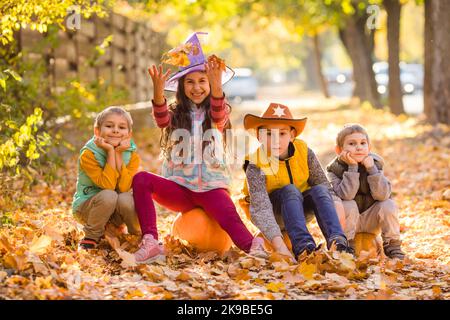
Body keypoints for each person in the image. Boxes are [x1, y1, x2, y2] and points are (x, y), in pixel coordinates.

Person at [132, 32, 267, 264]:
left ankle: (253, 248)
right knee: (141, 179)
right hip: (181, 189)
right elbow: (162, 119)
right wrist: (158, 91)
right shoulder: (176, 114)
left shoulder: (217, 114)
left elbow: (218, 112)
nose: (196, 87)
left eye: (202, 81)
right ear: (182, 87)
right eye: (190, 82)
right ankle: (151, 241)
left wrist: (216, 85)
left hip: (211, 188)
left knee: (229, 218)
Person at [242, 102, 351, 261]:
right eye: (269, 134)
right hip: (273, 214)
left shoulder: (303, 151)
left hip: (300, 210)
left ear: (292, 135)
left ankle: (338, 243)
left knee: (320, 190)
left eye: (282, 134)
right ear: (259, 136)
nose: (275, 141)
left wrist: (336, 203)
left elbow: (322, 184)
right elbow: (261, 208)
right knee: (290, 190)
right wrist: (280, 247)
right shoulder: (255, 163)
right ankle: (304, 248)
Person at [326, 123, 405, 259]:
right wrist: (352, 167)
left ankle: (392, 245)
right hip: (349, 222)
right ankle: (346, 246)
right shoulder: (333, 170)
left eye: (363, 143)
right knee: (348, 203)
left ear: (369, 148)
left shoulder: (375, 165)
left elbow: (382, 195)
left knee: (388, 204)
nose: (358, 147)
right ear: (339, 150)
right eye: (352, 143)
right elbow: (346, 195)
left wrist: (372, 170)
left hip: (370, 220)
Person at [72, 106, 141, 249]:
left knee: (126, 197)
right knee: (109, 195)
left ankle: (138, 236)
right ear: (97, 131)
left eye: (121, 127)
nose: (115, 130)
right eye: (109, 126)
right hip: (88, 208)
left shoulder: (132, 156)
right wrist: (110, 151)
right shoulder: (89, 154)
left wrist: (118, 154)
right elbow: (108, 186)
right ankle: (91, 237)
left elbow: (123, 188)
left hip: (114, 210)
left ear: (129, 134)